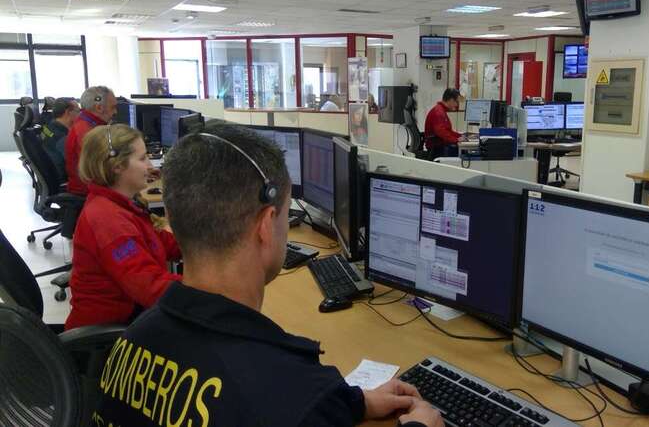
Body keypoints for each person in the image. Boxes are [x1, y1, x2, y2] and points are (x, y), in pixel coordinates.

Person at [93, 126, 443, 427]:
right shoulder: (287, 392)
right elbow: (283, 402)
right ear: (265, 226)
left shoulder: (133, 340)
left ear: (173, 214)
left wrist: (352, 402)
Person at [65, 124, 181, 330]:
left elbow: (162, 243)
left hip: (131, 319)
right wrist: (208, 289)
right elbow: (151, 288)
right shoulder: (107, 219)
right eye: (143, 158)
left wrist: (210, 246)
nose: (150, 166)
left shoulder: (119, 205)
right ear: (117, 166)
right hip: (109, 340)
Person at [65, 86, 117, 195]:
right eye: (113, 107)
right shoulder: (86, 132)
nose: (115, 112)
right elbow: (101, 171)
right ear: (99, 108)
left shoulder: (85, 123)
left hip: (88, 188)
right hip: (89, 193)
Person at [40, 97, 79, 182]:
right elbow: (78, 166)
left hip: (54, 174)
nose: (80, 114)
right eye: (78, 111)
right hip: (65, 180)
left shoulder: (49, 127)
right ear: (68, 112)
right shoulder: (62, 138)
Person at [424, 88, 463, 159]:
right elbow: (441, 132)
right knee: (464, 153)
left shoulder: (440, 110)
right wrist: (456, 140)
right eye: (456, 102)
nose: (457, 105)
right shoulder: (439, 112)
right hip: (438, 149)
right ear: (451, 100)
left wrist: (460, 136)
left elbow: (447, 131)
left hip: (438, 146)